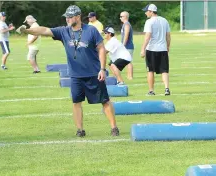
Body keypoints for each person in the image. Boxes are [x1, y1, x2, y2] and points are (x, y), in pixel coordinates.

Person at [18, 5, 119, 137]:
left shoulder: (91, 30)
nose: (67, 19)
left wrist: (102, 69)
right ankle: (80, 130)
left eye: (70, 17)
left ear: (78, 17)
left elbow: (101, 49)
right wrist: (27, 31)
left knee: (104, 100)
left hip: (94, 73)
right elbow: (44, 30)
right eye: (66, 17)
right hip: (75, 75)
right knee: (76, 102)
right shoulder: (64, 31)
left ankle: (114, 127)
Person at [140, 4, 171, 96]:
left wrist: (143, 49)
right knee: (164, 70)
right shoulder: (164, 20)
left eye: (147, 11)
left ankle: (151, 90)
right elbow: (168, 35)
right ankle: (166, 89)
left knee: (150, 70)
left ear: (151, 11)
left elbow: (147, 36)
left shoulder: (149, 22)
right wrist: (168, 46)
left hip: (152, 49)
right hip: (163, 49)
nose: (145, 13)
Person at [120, 11, 134, 80]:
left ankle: (130, 76)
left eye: (121, 16)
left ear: (125, 17)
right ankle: (128, 75)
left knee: (128, 61)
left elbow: (126, 35)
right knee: (126, 61)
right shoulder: (124, 24)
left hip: (128, 46)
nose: (120, 18)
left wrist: (123, 45)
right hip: (126, 46)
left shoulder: (127, 24)